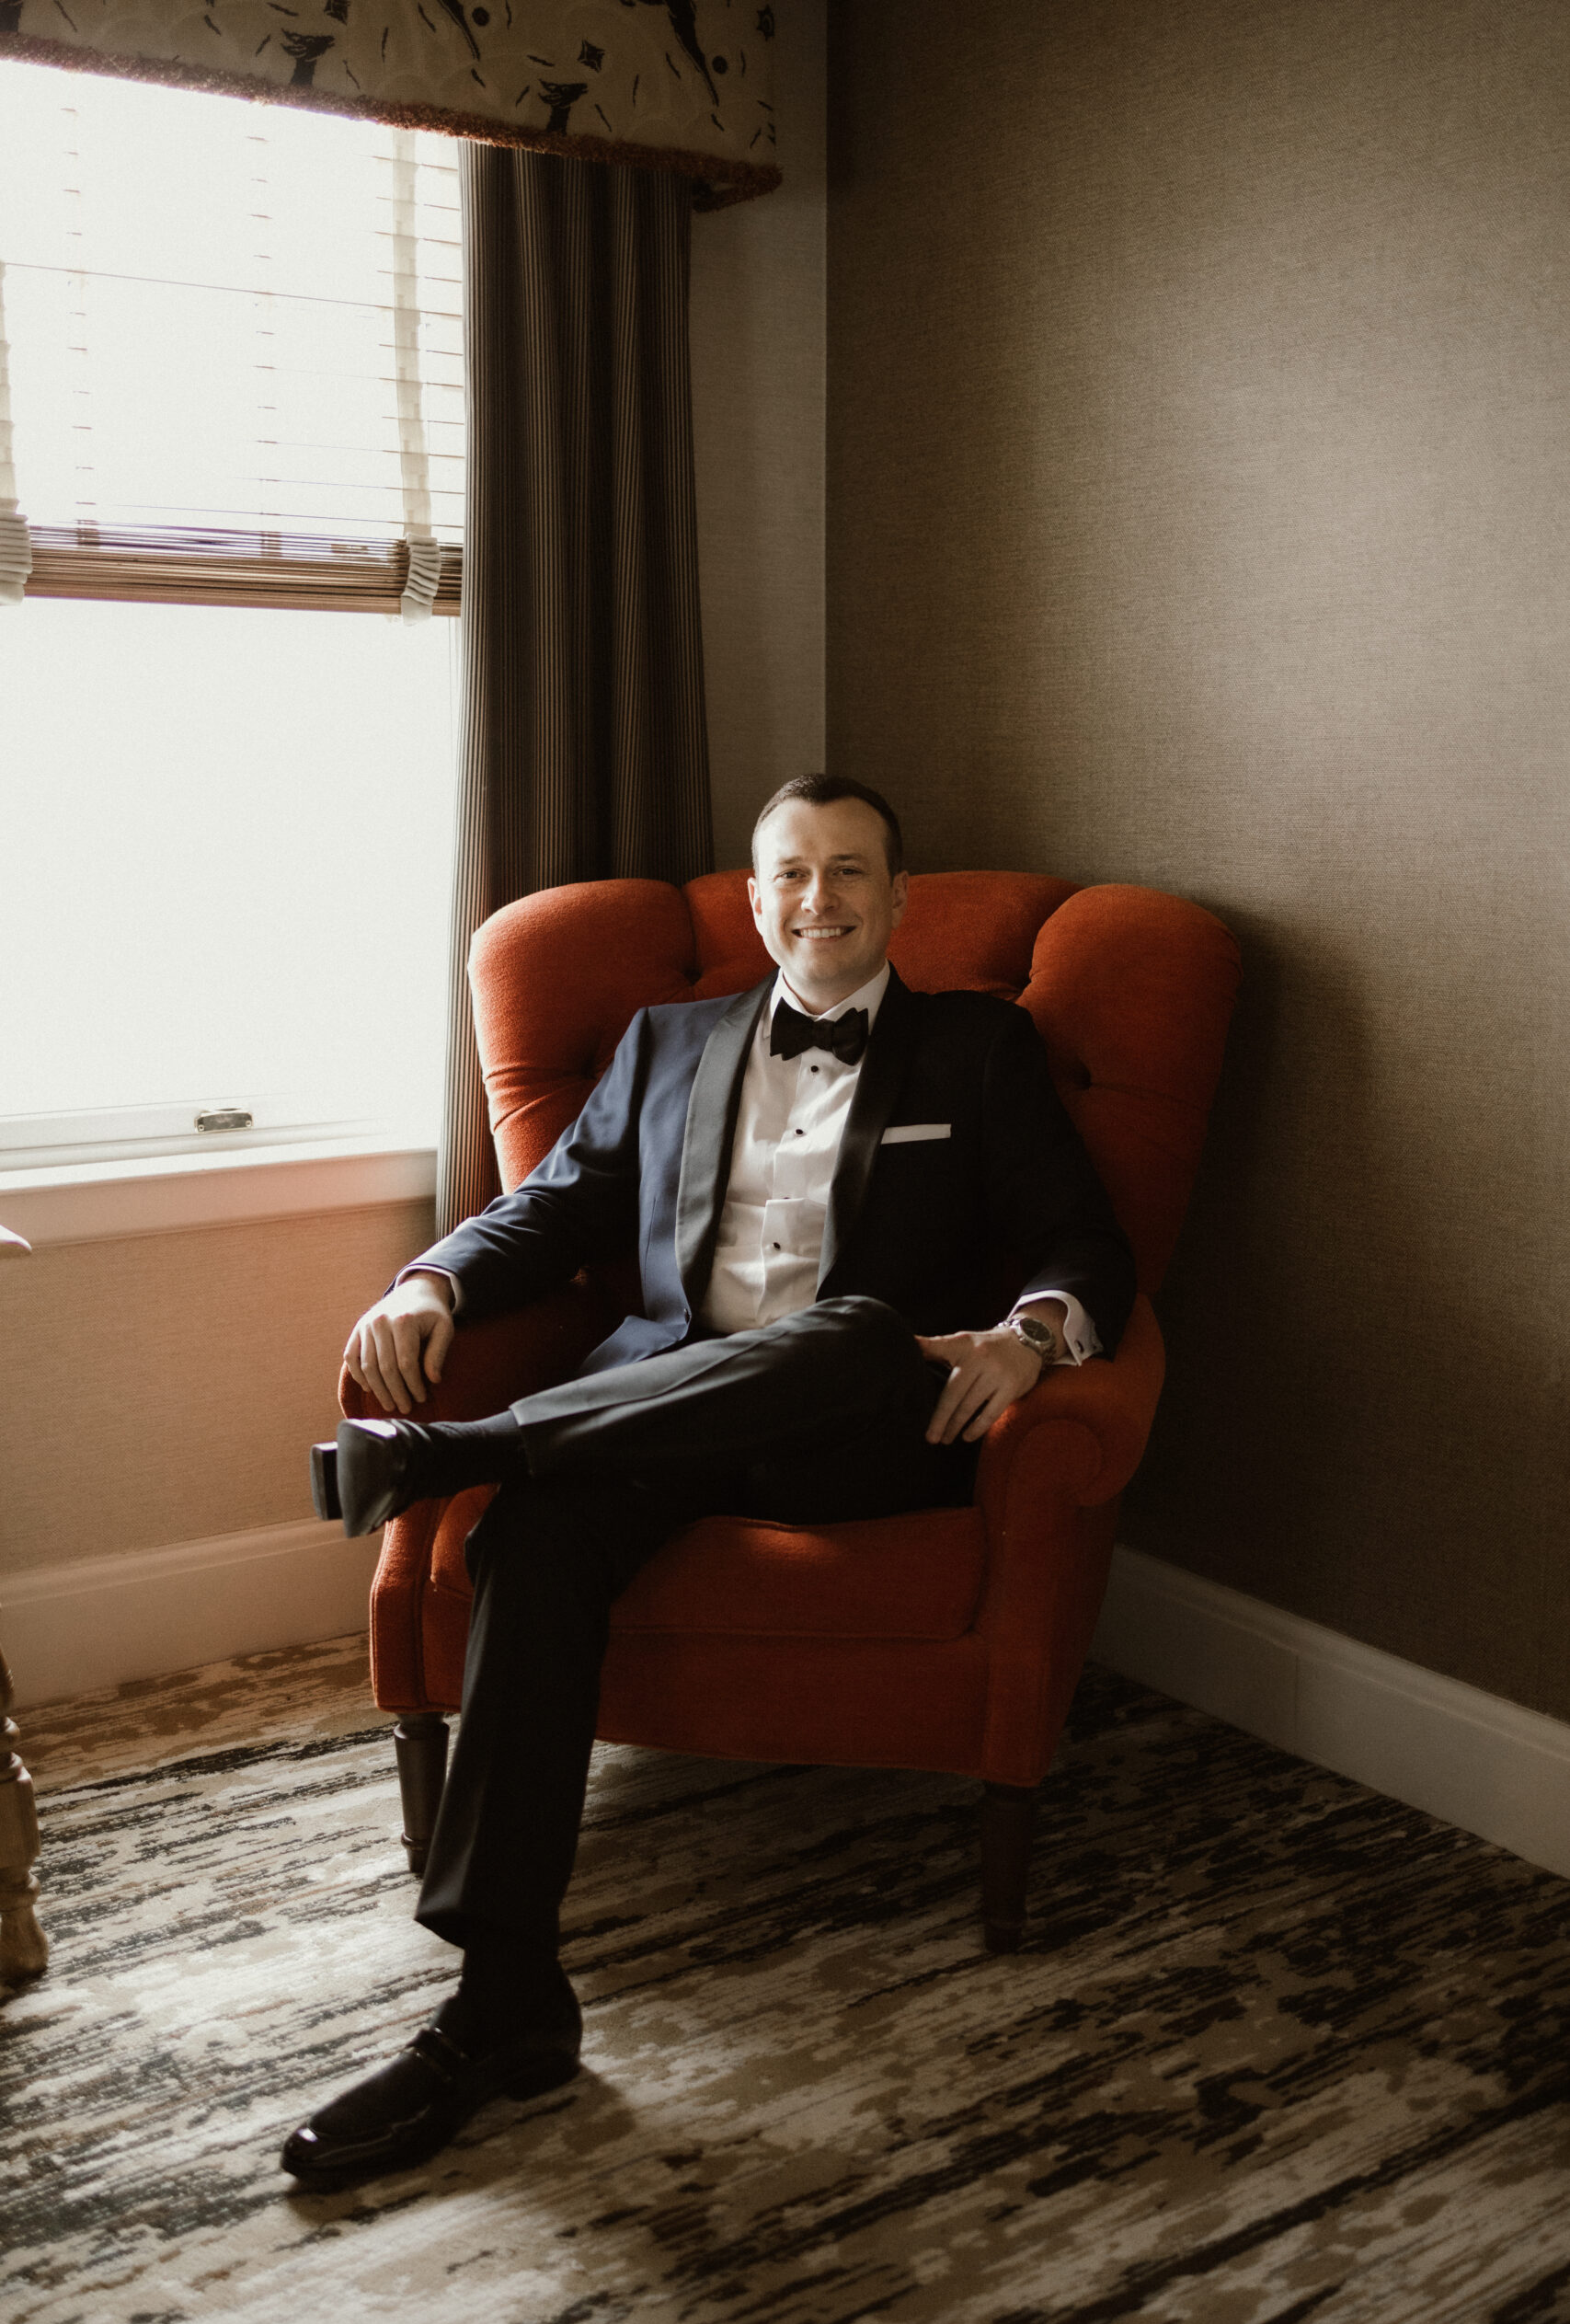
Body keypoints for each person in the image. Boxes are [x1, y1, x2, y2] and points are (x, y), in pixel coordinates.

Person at [281, 775, 1135, 2189]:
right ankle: (504, 2008)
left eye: (851, 871)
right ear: (755, 899)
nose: (821, 899)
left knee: (855, 1331)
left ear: (900, 897)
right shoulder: (665, 1041)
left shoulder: (981, 1050)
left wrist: (1030, 1336)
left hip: (861, 1423)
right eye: (791, 874)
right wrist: (434, 1274)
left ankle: (461, 1454)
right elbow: (555, 1204)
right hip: (656, 1410)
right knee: (534, 1539)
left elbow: (1082, 1246)